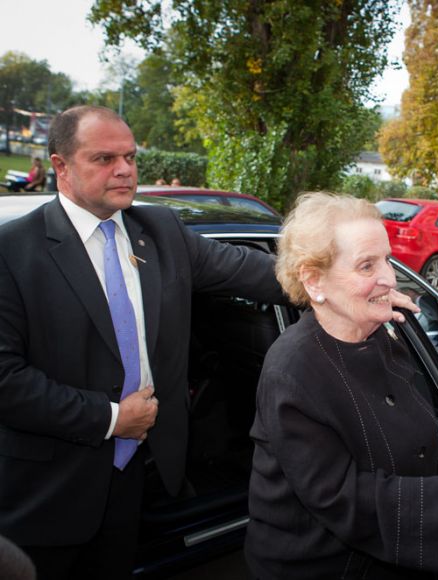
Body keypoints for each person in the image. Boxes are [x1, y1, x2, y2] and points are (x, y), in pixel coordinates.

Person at [0, 105, 280, 580]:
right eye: (105, 159)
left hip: (138, 479)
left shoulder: (162, 232)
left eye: (130, 157)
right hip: (43, 492)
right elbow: (6, 380)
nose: (125, 169)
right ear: (61, 168)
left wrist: (341, 277)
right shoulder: (12, 251)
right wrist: (111, 418)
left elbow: (252, 271)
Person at [244, 192, 438, 579]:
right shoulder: (292, 370)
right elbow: (343, 498)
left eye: (387, 260)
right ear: (313, 280)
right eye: (366, 265)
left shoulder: (380, 335)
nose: (390, 278)